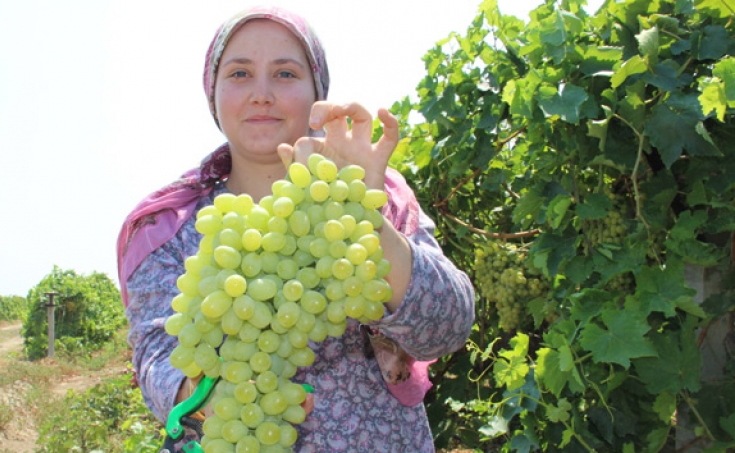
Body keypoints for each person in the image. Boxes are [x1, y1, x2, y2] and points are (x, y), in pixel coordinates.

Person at [116, 6, 475, 452]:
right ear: (214, 93)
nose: (262, 94)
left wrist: (360, 214)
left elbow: (448, 328)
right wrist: (205, 399)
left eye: (285, 74)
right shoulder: (168, 226)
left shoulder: (374, 190)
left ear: (316, 92)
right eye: (240, 74)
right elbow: (155, 355)